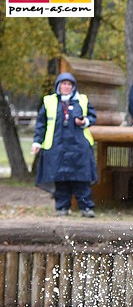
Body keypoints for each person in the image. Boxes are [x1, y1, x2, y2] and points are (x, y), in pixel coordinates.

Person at [31, 72, 98, 217]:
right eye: (64, 84)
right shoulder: (49, 101)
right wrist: (37, 142)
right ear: (58, 85)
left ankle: (86, 208)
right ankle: (62, 207)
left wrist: (84, 121)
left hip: (79, 147)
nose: (66, 87)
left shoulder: (82, 100)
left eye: (69, 84)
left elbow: (92, 117)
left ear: (73, 86)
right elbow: (41, 124)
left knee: (81, 179)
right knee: (60, 179)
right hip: (56, 146)